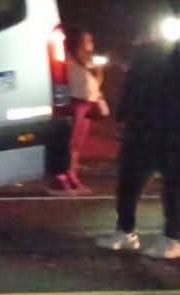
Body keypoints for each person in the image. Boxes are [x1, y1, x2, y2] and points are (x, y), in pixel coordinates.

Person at [96, 20, 180, 259]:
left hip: (172, 130)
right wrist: (123, 115)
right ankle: (125, 231)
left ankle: (172, 237)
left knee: (173, 185)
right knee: (129, 181)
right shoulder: (146, 54)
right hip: (142, 128)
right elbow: (132, 86)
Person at [49, 28, 109, 194]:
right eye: (86, 41)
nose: (90, 45)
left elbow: (96, 83)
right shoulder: (67, 59)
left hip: (87, 102)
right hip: (75, 102)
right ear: (77, 43)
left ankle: (72, 175)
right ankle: (60, 178)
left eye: (91, 41)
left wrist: (98, 71)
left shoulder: (89, 62)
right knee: (69, 141)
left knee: (77, 144)